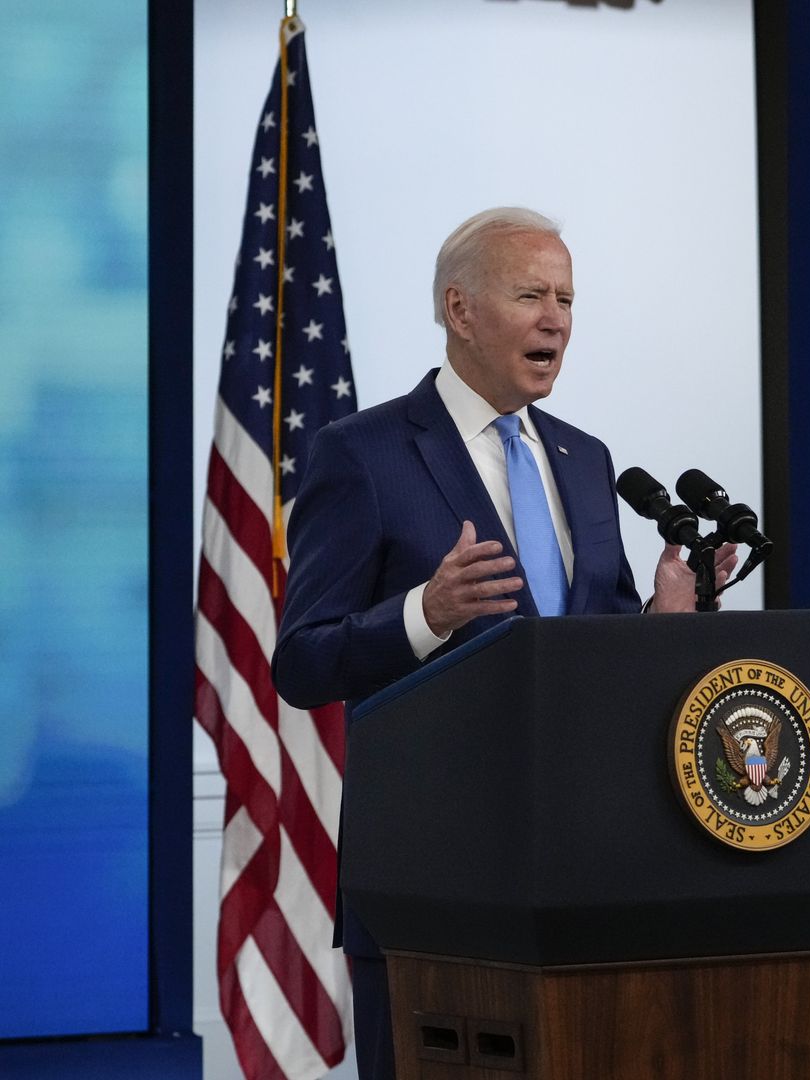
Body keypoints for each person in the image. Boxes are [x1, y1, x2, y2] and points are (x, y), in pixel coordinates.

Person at [271, 206, 736, 1080]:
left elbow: (586, 665)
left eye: (566, 297)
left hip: (591, 871)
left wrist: (664, 623)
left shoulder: (585, 458)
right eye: (531, 294)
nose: (557, 318)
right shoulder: (361, 454)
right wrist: (425, 613)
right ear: (460, 309)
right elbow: (300, 662)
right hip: (433, 885)